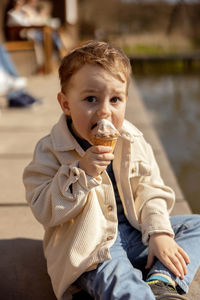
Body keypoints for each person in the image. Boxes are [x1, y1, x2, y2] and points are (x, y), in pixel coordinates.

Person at [23, 40, 200, 300]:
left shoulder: (132, 140)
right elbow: (43, 208)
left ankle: (161, 281)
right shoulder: (50, 150)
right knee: (116, 276)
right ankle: (112, 288)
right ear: (66, 104)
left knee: (195, 225)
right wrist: (81, 174)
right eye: (91, 99)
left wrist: (159, 233)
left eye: (115, 99)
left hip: (134, 232)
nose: (105, 110)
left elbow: (150, 190)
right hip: (90, 245)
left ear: (126, 99)